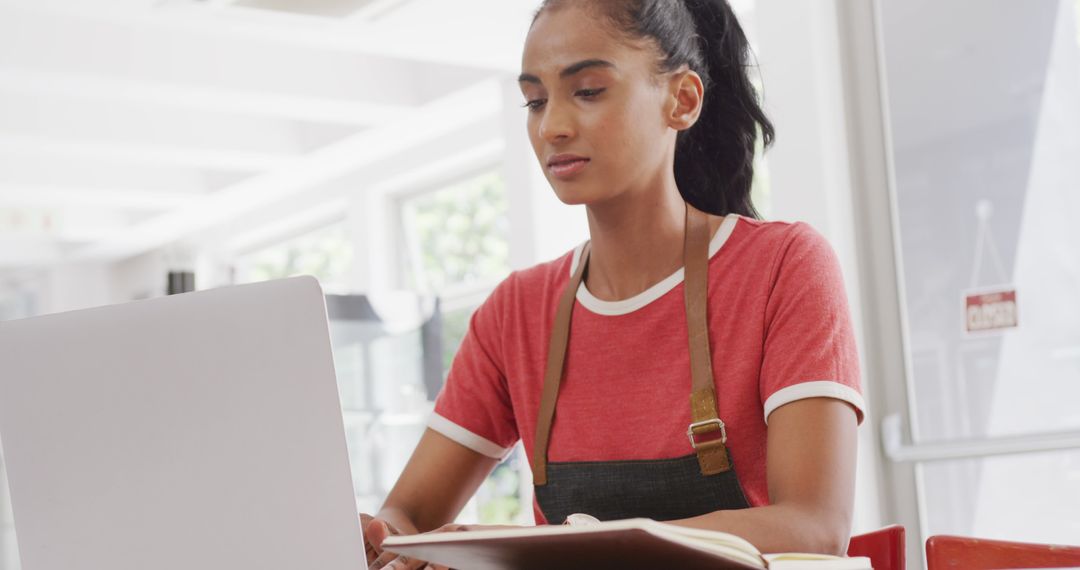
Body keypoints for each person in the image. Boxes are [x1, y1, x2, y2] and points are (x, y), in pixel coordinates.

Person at [362, 1, 864, 568]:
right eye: (535, 100)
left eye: (589, 90)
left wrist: (542, 548)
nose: (552, 125)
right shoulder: (516, 312)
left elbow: (815, 525)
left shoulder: (782, 266)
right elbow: (407, 517)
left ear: (682, 100)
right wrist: (381, 536)